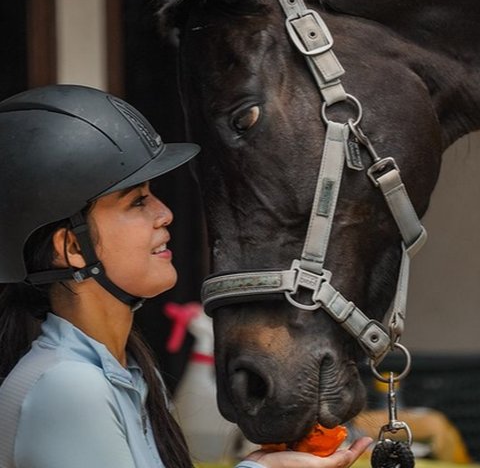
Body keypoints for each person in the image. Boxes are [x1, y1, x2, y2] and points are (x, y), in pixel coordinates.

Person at [0, 84, 372, 468]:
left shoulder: (126, 375)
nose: (165, 213)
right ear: (73, 250)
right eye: (137, 201)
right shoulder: (69, 388)